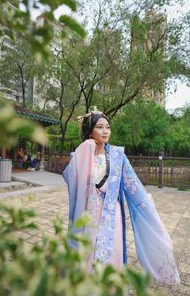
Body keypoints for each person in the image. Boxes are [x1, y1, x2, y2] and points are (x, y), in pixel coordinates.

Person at [62, 108, 180, 285]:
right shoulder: (80, 155)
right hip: (89, 212)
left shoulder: (117, 155)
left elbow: (133, 185)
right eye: (100, 127)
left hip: (111, 212)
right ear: (89, 131)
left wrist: (146, 204)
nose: (105, 131)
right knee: (88, 249)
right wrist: (84, 152)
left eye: (107, 127)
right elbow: (72, 180)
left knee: (113, 249)